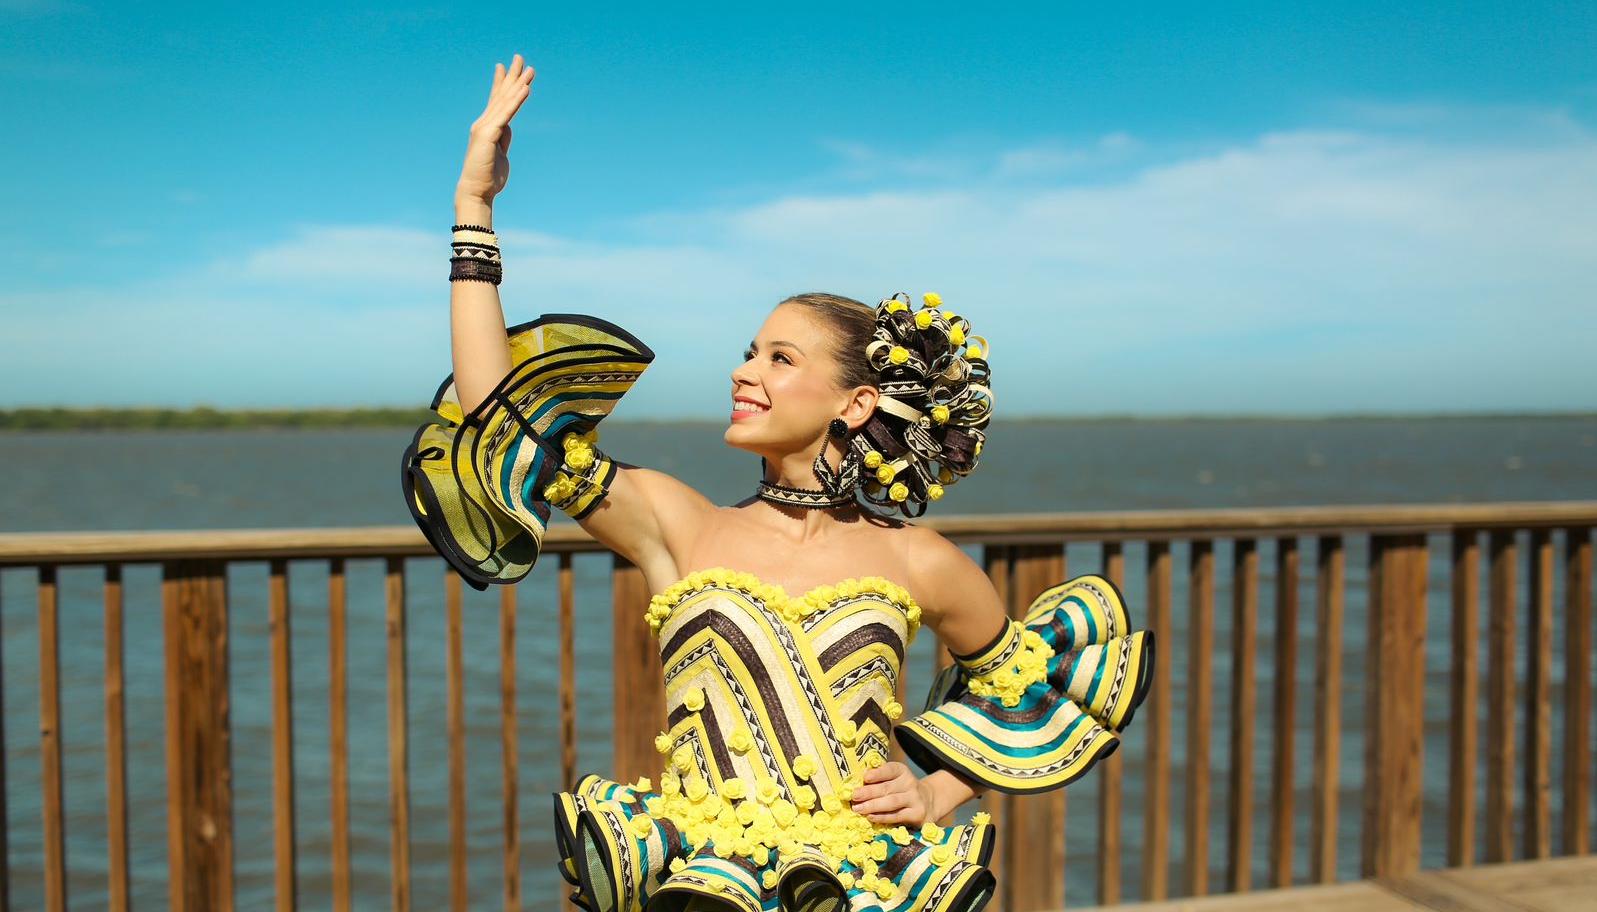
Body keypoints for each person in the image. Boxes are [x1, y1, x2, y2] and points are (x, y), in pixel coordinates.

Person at [401, 54, 1156, 912]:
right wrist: (473, 209)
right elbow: (496, 418)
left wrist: (940, 791)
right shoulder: (674, 522)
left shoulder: (920, 559)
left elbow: (1031, 686)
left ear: (855, 401)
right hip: (697, 885)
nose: (743, 370)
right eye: (748, 350)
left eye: (778, 358)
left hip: (858, 886)